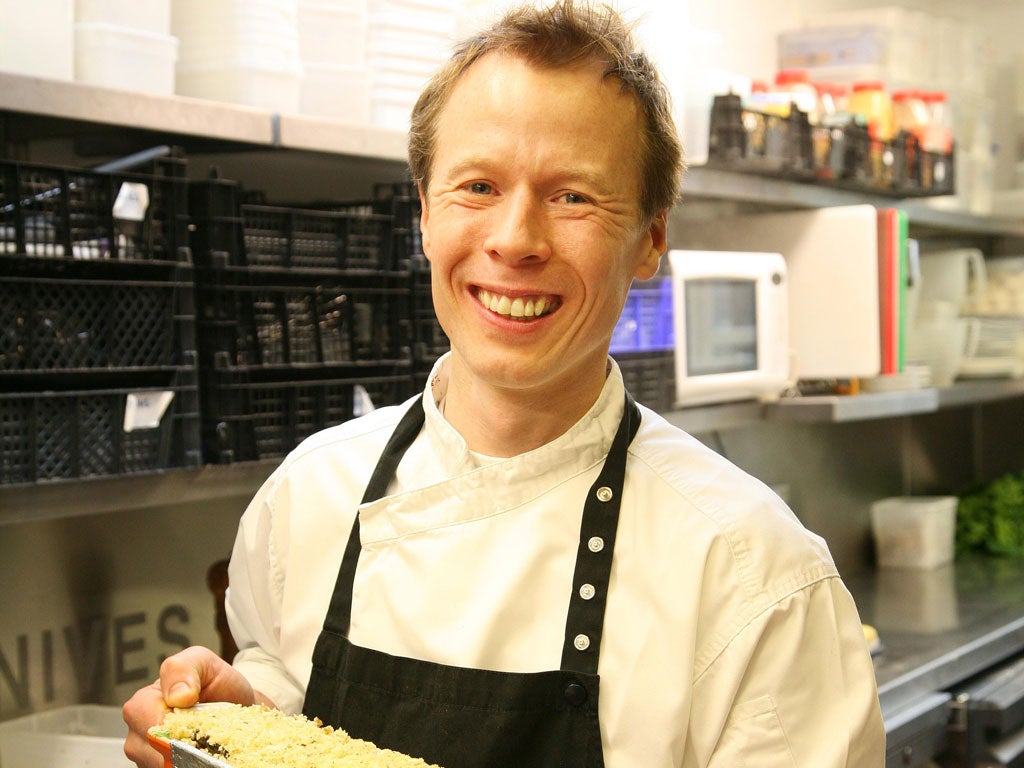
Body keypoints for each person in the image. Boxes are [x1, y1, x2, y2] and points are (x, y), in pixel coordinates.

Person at [123, 1, 885, 766]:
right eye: (479, 186)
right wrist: (241, 724)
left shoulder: (756, 577)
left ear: (650, 238)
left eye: (572, 196)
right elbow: (283, 684)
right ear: (424, 214)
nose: (515, 240)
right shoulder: (307, 497)